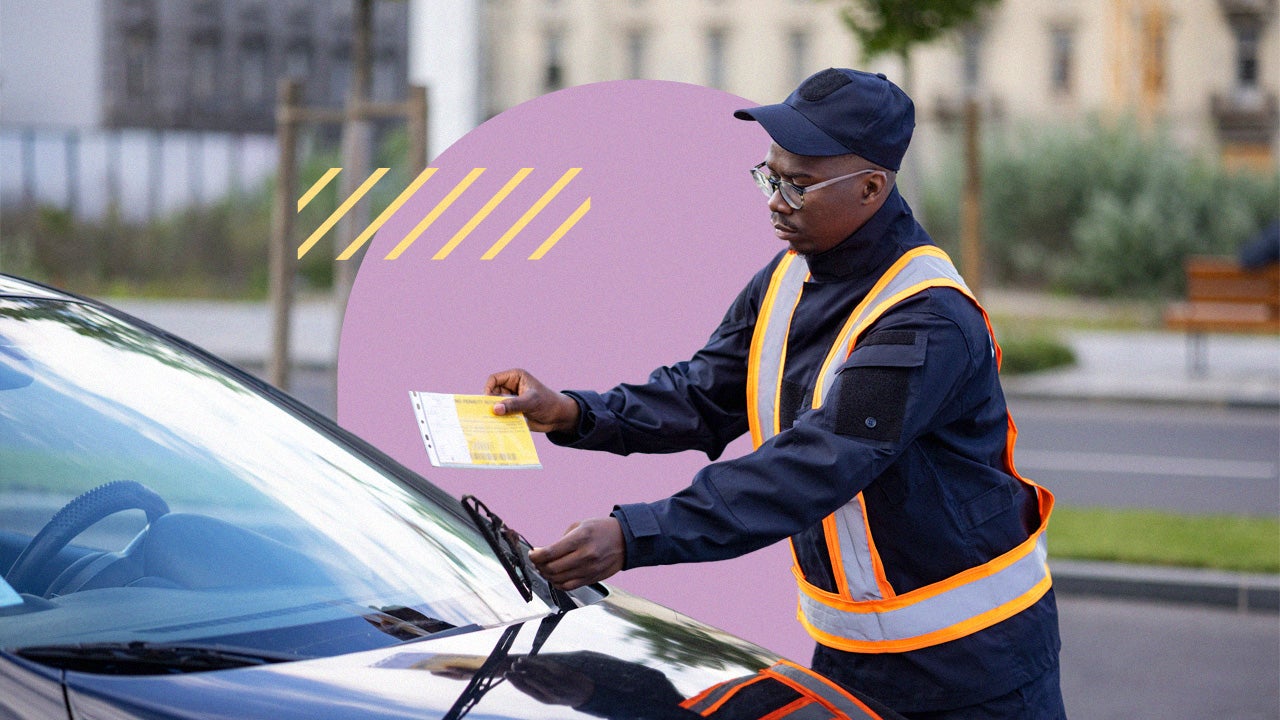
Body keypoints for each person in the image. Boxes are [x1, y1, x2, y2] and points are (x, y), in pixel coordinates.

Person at [484, 68, 1064, 719]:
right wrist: (574, 412)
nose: (775, 200)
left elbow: (811, 466)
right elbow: (701, 395)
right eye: (769, 175)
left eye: (798, 184)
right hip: (852, 653)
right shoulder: (789, 278)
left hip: (976, 668)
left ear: (872, 188)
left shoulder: (924, 318)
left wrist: (632, 535)